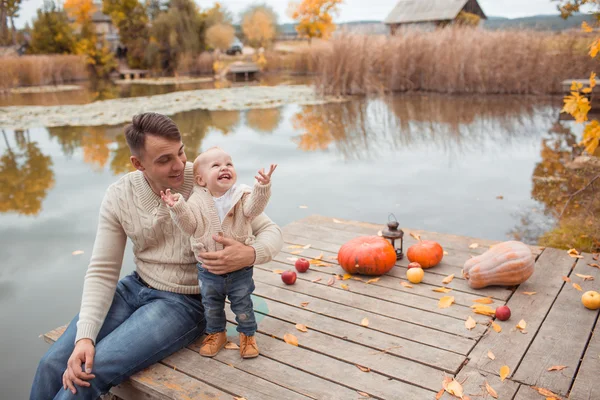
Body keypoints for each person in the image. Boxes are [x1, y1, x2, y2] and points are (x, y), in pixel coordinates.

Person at [30, 113, 283, 399]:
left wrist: (249, 254)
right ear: (138, 164)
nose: (179, 165)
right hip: (134, 288)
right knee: (52, 363)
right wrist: (85, 337)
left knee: (90, 373)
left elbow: (270, 231)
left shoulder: (204, 179)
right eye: (164, 160)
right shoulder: (119, 195)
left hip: (184, 302)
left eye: (181, 152)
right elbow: (102, 271)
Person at [161, 147, 277, 359]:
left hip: (240, 269)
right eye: (216, 165)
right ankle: (217, 333)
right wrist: (177, 207)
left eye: (229, 164)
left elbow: (254, 210)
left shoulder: (241, 195)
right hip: (208, 270)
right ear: (201, 180)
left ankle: (247, 335)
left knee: (243, 303)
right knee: (211, 306)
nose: (224, 167)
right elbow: (189, 226)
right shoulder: (196, 201)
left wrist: (262, 187)